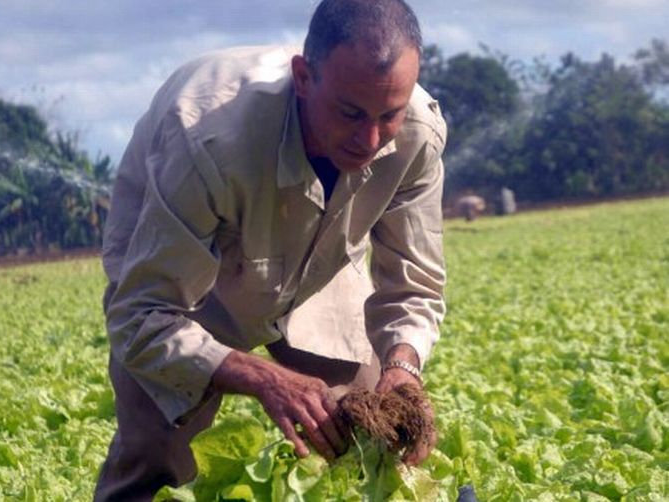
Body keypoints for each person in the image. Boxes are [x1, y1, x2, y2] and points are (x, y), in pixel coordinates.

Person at [94, 0, 447, 499]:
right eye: (350, 113)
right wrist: (265, 377)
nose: (369, 140)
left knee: (369, 434)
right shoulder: (205, 138)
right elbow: (142, 315)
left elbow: (413, 282)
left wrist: (404, 368)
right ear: (303, 77)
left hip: (319, 269)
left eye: (388, 115)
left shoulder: (417, 135)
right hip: (192, 284)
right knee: (153, 460)